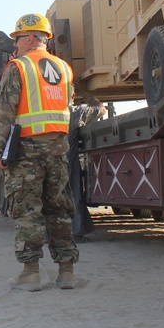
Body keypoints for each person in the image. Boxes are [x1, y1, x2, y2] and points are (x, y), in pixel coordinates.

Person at [0, 12, 78, 291]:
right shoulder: (64, 68)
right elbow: (68, 104)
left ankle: (31, 273)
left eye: (17, 39)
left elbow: (4, 113)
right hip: (59, 151)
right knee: (59, 208)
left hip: (26, 151)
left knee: (28, 210)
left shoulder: (19, 67)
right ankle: (67, 273)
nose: (15, 45)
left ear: (29, 38)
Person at [69, 92, 107, 238]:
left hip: (47, 160)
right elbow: (101, 110)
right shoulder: (74, 112)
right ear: (72, 96)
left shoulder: (44, 112)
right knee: (74, 193)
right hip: (67, 161)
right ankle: (77, 230)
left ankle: (49, 233)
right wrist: (93, 99)